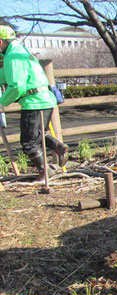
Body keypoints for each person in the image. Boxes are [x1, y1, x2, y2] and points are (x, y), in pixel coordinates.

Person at [0, 25, 69, 181]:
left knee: (28, 142)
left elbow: (17, 85)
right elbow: (3, 75)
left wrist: (2, 102)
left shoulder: (13, 56)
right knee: (37, 137)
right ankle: (58, 147)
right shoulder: (20, 52)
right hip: (45, 99)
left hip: (34, 102)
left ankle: (45, 172)